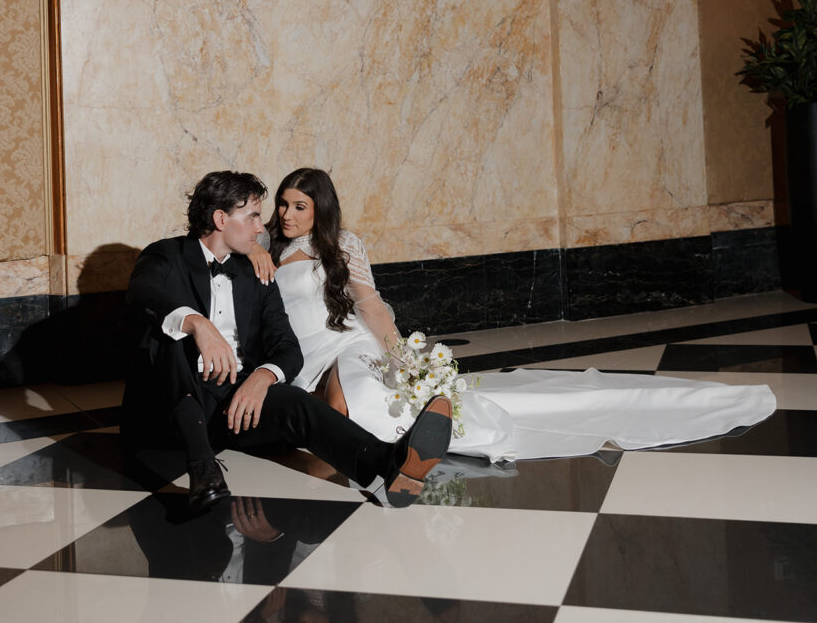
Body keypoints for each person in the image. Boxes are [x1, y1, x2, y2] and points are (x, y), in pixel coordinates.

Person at [249, 168, 778, 462]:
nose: (287, 214)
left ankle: (404, 451)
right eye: (283, 205)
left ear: (321, 208)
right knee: (321, 416)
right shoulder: (268, 248)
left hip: (351, 344)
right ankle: (403, 440)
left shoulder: (344, 243)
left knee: (356, 403)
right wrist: (257, 248)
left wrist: (400, 358)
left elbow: (370, 306)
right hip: (305, 354)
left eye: (299, 206)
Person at [123, 170, 452, 512]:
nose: (261, 227)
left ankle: (386, 461)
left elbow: (287, 346)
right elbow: (143, 294)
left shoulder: (256, 276)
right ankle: (202, 468)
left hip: (232, 409)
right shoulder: (165, 256)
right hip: (172, 409)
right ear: (221, 219)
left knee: (295, 401)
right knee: (169, 337)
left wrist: (262, 377)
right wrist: (196, 324)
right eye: (252, 216)